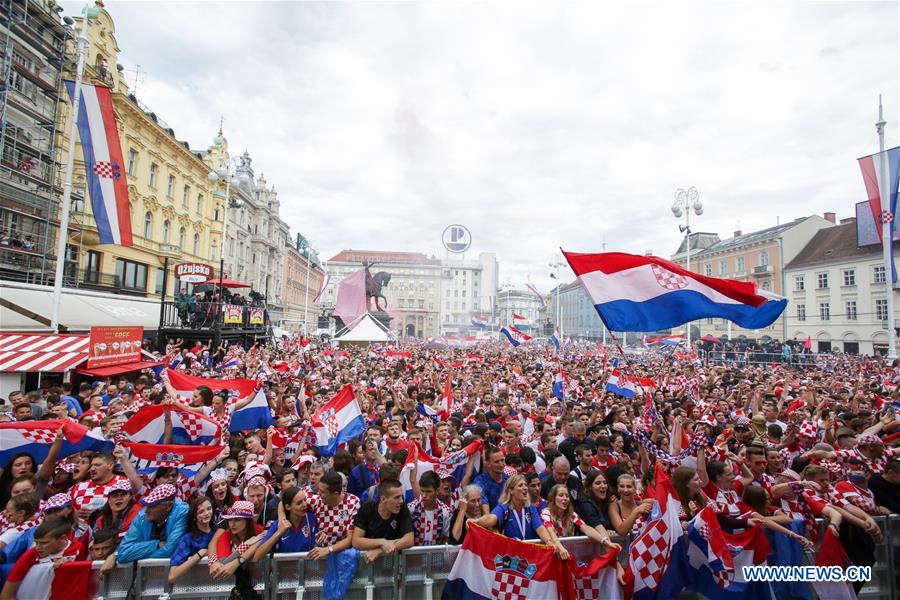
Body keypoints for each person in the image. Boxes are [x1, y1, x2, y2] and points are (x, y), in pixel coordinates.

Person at [470, 475, 569, 558]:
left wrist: (549, 543)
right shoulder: (504, 508)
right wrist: (476, 522)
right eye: (520, 485)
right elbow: (490, 519)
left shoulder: (530, 509)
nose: (525, 488)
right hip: (511, 557)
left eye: (526, 485)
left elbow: (540, 528)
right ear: (511, 490)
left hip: (530, 556)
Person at [0, 518, 88, 600]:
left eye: (43, 543)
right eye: (36, 542)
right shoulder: (31, 554)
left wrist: (66, 567)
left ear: (62, 538)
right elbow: (6, 595)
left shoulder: (78, 548)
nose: (38, 547)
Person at [116, 484, 188, 563]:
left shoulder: (182, 512)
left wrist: (138, 557)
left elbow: (169, 551)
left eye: (152, 506)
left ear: (169, 506)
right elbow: (123, 553)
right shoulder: (141, 516)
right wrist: (156, 545)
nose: (146, 510)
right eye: (147, 505)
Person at [208, 501, 265, 597]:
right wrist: (245, 545)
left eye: (237, 520)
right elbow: (224, 563)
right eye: (230, 520)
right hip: (240, 587)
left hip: (262, 582)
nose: (232, 524)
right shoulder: (226, 535)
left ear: (248, 520)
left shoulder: (260, 530)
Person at [352, 479, 414, 564]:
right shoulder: (367, 508)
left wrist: (379, 551)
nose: (401, 501)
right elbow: (356, 541)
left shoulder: (402, 508)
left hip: (394, 564)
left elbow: (409, 540)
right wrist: (382, 542)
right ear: (383, 499)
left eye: (401, 496)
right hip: (370, 563)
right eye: (396, 497)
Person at [305, 472, 360, 560]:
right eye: (319, 490)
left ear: (335, 494)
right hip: (320, 556)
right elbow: (286, 498)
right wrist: (282, 517)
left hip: (343, 557)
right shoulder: (316, 500)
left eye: (323, 492)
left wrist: (328, 550)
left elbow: (350, 539)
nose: (318, 494)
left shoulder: (353, 503)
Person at [254, 487, 317, 557]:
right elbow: (257, 556)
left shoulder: (312, 518)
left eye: (305, 500)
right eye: (299, 503)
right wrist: (278, 534)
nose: (304, 505)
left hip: (307, 566)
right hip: (283, 566)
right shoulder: (277, 525)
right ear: (288, 507)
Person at [168, 497, 216, 584]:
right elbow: (172, 576)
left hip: (217, 584)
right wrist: (199, 554)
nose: (207, 513)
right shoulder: (188, 539)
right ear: (194, 517)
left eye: (209, 509)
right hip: (193, 586)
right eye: (201, 511)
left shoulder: (218, 532)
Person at [473, 446, 508, 511]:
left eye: (502, 460)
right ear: (488, 464)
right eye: (496, 462)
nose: (501, 464)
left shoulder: (509, 480)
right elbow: (486, 512)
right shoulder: (480, 482)